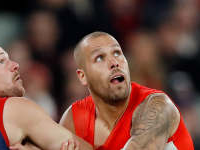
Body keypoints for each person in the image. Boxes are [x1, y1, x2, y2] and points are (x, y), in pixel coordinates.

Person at [59, 32, 194, 150]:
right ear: (83, 76)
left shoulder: (159, 106)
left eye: (117, 53)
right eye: (99, 58)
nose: (114, 62)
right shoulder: (74, 118)